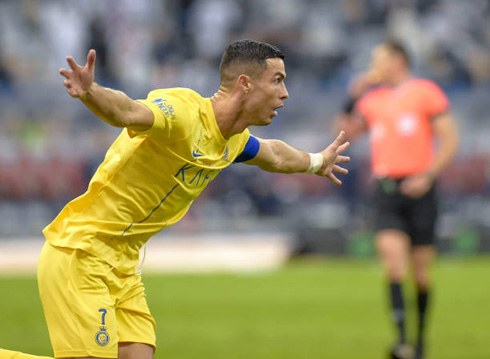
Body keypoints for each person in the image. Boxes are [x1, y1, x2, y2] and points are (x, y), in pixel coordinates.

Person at [1, 39, 350, 359]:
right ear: (245, 83)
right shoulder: (184, 114)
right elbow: (129, 112)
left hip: (123, 265)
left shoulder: (233, 139)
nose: (285, 93)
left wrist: (317, 162)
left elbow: (274, 155)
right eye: (277, 80)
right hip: (82, 252)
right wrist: (92, 93)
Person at [336, 40, 458, 359]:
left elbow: (449, 139)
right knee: (393, 265)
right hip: (386, 190)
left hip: (421, 189)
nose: (375, 64)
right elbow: (344, 135)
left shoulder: (425, 92)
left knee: (420, 273)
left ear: (398, 60)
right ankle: (402, 342)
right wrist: (352, 96)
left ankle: (420, 340)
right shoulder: (372, 99)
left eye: (380, 58)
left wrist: (428, 175)